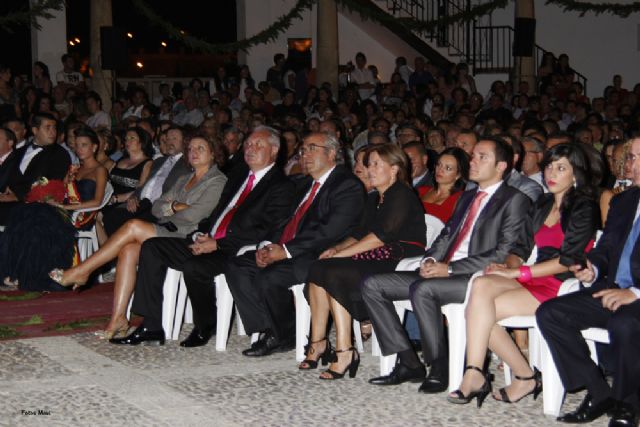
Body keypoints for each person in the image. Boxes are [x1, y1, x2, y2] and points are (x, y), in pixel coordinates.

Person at [362, 137, 530, 393]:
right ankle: (409, 362)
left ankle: (439, 365)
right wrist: (430, 259)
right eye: (473, 156)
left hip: (477, 278)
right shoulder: (467, 197)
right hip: (444, 272)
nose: (472, 161)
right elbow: (446, 235)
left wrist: (450, 269)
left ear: (501, 166)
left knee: (424, 289)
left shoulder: (515, 200)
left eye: (481, 157)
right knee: (373, 285)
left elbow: (502, 253)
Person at [110, 127, 295, 347]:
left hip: (234, 249)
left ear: (274, 150)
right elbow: (215, 214)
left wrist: (218, 244)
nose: (250, 149)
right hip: (209, 239)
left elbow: (266, 230)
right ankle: (151, 325)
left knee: (194, 267)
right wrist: (201, 234)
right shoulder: (237, 177)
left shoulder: (281, 186)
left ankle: (206, 324)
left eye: (258, 145)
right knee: (152, 247)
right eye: (248, 144)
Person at [448, 143, 599, 407]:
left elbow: (569, 260)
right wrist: (508, 266)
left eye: (561, 168)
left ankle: (502, 376)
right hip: (532, 276)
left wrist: (519, 271)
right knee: (480, 292)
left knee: (480, 311)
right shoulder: (543, 202)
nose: (551, 173)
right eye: (549, 166)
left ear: (575, 174)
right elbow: (520, 247)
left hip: (562, 284)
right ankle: (496, 373)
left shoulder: (584, 207)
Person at [50, 134, 227, 339]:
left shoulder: (217, 180)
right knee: (128, 249)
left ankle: (82, 271)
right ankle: (118, 318)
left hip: (188, 236)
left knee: (133, 225)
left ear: (214, 153)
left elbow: (196, 215)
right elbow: (158, 207)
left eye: (201, 148)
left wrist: (172, 208)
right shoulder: (183, 178)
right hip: (168, 229)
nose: (193, 152)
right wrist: (175, 207)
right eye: (191, 149)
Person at [226, 132, 365, 357]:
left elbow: (329, 231)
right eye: (303, 149)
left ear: (331, 153)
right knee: (238, 265)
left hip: (321, 255)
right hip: (290, 250)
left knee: (269, 276)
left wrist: (286, 251)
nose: (305, 154)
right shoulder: (303, 184)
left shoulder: (347, 185)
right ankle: (274, 329)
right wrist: (267, 245)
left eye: (312, 148)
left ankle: (283, 334)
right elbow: (282, 221)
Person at [536, 136, 640, 427]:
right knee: (551, 313)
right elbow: (606, 247)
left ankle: (626, 406)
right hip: (612, 289)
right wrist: (592, 267)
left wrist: (635, 293)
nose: (628, 163)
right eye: (629, 157)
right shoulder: (624, 200)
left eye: (634, 157)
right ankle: (598, 391)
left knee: (625, 323)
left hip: (636, 298)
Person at [301, 144, 426, 379]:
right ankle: (318, 342)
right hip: (375, 257)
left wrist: (342, 255)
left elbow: (380, 238)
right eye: (368, 165)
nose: (369, 169)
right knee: (319, 266)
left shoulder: (402, 194)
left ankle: (345, 350)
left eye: (376, 164)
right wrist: (336, 249)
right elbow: (358, 234)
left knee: (333, 271)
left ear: (395, 169)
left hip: (398, 259)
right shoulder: (374, 198)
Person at [0, 127, 107, 291]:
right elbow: (62, 190)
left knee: (39, 220)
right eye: (77, 145)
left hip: (81, 215)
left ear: (94, 147)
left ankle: (40, 275)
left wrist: (65, 206)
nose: (79, 149)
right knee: (28, 214)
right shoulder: (74, 168)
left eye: (84, 145)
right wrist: (49, 196)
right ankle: (18, 272)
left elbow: (97, 201)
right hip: (63, 209)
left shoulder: (100, 170)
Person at [101, 126, 191, 236]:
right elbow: (143, 185)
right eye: (167, 138)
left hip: (158, 206)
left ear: (184, 142)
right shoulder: (159, 161)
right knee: (111, 217)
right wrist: (134, 196)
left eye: (174, 138)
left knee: (117, 220)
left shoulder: (187, 164)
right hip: (140, 202)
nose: (169, 141)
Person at [0, 113, 70, 225]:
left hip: (37, 206)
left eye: (54, 128)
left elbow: (50, 182)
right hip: (9, 202)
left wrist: (18, 196)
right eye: (48, 127)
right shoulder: (19, 151)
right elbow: (4, 173)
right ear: (35, 130)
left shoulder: (59, 154)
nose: (53, 132)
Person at [417, 147, 469, 224]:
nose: (440, 170)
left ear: (458, 175)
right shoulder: (421, 190)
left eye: (448, 168)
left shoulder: (461, 199)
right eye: (439, 164)